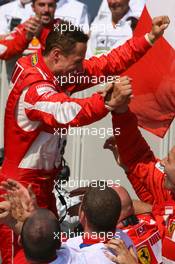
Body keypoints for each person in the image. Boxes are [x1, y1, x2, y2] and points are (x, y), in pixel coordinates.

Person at [0, 16, 169, 263]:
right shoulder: (34, 86)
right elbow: (67, 111)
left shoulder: (47, 66)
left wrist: (148, 38)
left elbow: (105, 65)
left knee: (52, 254)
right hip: (21, 187)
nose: (81, 69)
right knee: (26, 258)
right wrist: (108, 102)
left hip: (40, 182)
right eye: (78, 61)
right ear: (56, 55)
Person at [0, 179, 136, 264]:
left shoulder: (71, 248)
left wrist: (17, 220)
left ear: (82, 215)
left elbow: (43, 240)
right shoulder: (121, 247)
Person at [111, 85, 175, 263]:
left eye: (168, 160)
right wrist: (121, 111)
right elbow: (141, 160)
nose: (161, 162)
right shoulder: (170, 190)